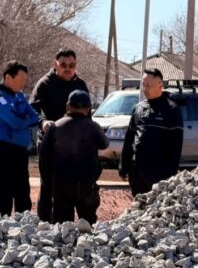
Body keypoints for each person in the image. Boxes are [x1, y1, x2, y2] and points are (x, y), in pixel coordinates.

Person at [30, 48, 90, 221]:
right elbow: (33, 109)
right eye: (63, 65)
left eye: (71, 65)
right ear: (54, 64)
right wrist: (42, 122)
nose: (67, 68)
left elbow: (89, 114)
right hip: (50, 143)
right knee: (48, 186)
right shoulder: (44, 84)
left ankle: (68, 226)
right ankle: (44, 225)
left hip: (74, 147)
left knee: (72, 185)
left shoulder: (81, 85)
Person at [39, 90, 109, 224]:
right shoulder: (93, 127)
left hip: (61, 184)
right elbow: (104, 144)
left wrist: (48, 183)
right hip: (86, 184)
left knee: (61, 225)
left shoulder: (56, 127)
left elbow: (44, 156)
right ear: (88, 109)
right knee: (88, 224)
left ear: (67, 106)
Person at [119, 68, 183, 196]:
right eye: (143, 84)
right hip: (137, 171)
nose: (145, 88)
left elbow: (176, 145)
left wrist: (170, 174)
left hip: (159, 172)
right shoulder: (138, 108)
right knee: (137, 209)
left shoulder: (171, 110)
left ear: (160, 85)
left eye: (149, 85)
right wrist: (124, 166)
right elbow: (129, 139)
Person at [0, 61, 40, 216]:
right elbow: (14, 122)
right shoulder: (1, 98)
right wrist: (24, 120)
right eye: (20, 80)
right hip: (4, 152)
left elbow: (35, 116)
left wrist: (22, 120)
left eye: (25, 80)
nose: (23, 84)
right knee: (4, 193)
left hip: (21, 152)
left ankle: (25, 228)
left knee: (23, 192)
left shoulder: (20, 96)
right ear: (8, 77)